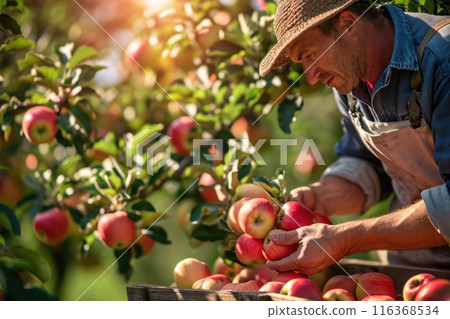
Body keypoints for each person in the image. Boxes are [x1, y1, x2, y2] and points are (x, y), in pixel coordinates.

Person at [259, 0, 450, 275]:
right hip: (412, 271)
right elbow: (368, 164)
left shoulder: (441, 59)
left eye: (310, 55)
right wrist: (318, 197)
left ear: (348, 25)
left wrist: (345, 239)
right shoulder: (349, 78)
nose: (310, 77)